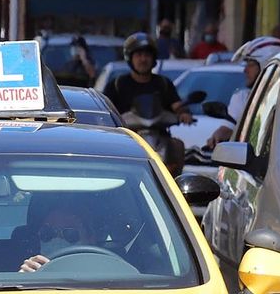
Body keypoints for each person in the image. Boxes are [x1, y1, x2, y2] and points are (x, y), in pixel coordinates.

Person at [104, 32, 193, 172]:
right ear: (130, 58)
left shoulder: (163, 83)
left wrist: (184, 113)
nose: (143, 59)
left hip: (160, 138)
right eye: (139, 55)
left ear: (153, 58)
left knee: (177, 146)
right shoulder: (117, 84)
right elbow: (104, 109)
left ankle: (174, 183)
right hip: (125, 138)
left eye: (147, 55)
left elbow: (176, 105)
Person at [18, 195, 103, 273]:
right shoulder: (33, 273)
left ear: (90, 238)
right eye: (48, 233)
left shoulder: (107, 274)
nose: (57, 239)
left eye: (70, 234)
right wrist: (25, 278)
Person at [224, 35, 280, 131]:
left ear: (266, 66)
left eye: (250, 64)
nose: (245, 70)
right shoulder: (245, 97)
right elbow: (225, 131)